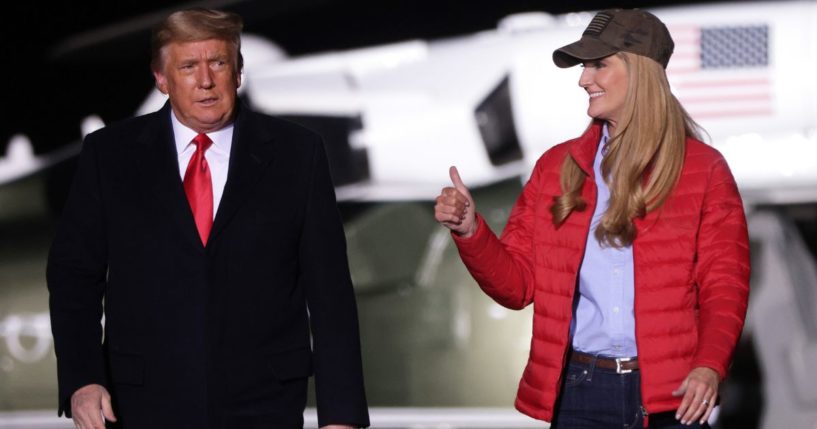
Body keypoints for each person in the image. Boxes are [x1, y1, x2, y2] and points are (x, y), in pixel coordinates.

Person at [47, 8, 369, 429]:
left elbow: (331, 294)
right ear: (161, 79)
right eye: (188, 66)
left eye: (218, 62)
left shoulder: (297, 154)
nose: (205, 80)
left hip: (264, 404)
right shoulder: (110, 156)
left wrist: (340, 417)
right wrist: (83, 378)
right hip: (142, 405)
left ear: (238, 72)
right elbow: (74, 275)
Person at [434, 9, 749, 429]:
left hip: (673, 397)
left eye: (599, 64)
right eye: (585, 66)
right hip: (581, 393)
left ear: (640, 71)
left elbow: (724, 284)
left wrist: (709, 365)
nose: (584, 79)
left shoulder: (703, 170)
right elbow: (518, 286)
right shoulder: (555, 168)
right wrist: (471, 231)